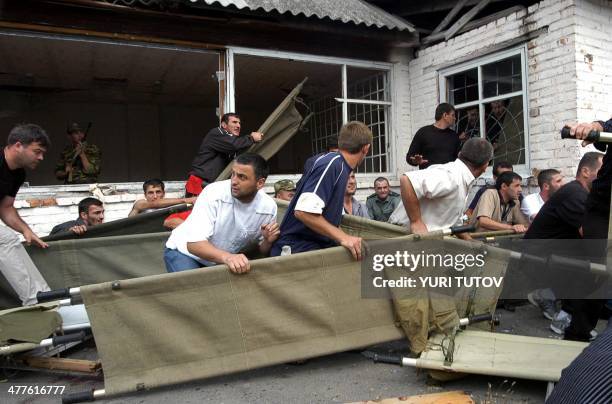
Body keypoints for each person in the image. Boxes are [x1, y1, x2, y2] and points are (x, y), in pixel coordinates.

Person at [270, 121, 372, 260]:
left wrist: (345, 237)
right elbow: (303, 212)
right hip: (296, 251)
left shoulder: (341, 167)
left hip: (313, 250)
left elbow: (326, 219)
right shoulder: (333, 164)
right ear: (366, 148)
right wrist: (344, 237)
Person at [164, 153, 278, 273]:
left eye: (242, 177)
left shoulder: (268, 208)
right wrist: (228, 257)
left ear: (260, 183)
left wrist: (267, 241)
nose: (234, 181)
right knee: (194, 289)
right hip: (185, 253)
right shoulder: (213, 193)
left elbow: (261, 251)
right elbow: (193, 245)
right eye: (233, 174)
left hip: (221, 260)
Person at [524, 152, 603, 323]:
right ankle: (565, 320)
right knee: (598, 264)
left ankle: (548, 296)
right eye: (602, 172)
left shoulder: (583, 194)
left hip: (554, 252)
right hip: (537, 257)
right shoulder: (575, 193)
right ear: (585, 171)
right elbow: (590, 234)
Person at [552, 120, 611, 342]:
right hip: (604, 207)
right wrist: (594, 127)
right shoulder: (573, 192)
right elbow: (606, 126)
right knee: (598, 271)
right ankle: (577, 333)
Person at [390, 138, 493, 235]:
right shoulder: (451, 176)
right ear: (485, 165)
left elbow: (454, 221)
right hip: (401, 237)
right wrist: (416, 222)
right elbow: (407, 180)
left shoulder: (463, 179)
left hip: (424, 242)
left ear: (460, 154)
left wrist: (470, 242)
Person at [0, 123, 51, 305]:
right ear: (18, 145)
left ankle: (47, 298)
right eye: (37, 151)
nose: (41, 157)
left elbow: (5, 207)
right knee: (5, 238)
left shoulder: (18, 174)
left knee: (9, 239)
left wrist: (26, 230)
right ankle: (35, 301)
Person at [187, 113, 264, 195]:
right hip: (199, 184)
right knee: (198, 208)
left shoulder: (231, 140)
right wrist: (252, 138)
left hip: (213, 186)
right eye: (234, 122)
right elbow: (233, 145)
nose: (238, 126)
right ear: (224, 125)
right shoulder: (216, 133)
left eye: (239, 123)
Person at [406, 103, 461, 169]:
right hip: (428, 177)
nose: (455, 118)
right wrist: (415, 161)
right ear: (445, 115)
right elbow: (409, 157)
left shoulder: (454, 136)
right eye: (453, 115)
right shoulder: (423, 132)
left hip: (448, 177)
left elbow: (458, 159)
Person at [128, 179, 196, 217]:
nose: (155, 196)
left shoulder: (171, 202)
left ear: (163, 193)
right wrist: (186, 200)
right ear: (145, 195)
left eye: (158, 192)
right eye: (150, 193)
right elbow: (154, 204)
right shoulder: (140, 203)